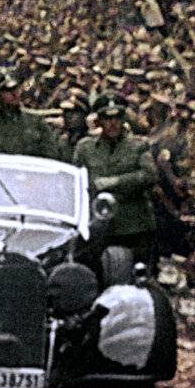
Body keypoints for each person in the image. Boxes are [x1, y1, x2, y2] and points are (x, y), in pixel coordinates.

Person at [73, 93, 159, 265]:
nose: (113, 123)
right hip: (97, 225)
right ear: (99, 120)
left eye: (117, 118)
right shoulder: (85, 148)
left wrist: (116, 181)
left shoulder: (138, 146)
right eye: (107, 118)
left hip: (133, 225)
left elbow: (150, 175)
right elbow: (75, 182)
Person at [0, 70, 60, 159]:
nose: (14, 93)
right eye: (7, 91)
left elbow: (50, 155)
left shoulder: (36, 121)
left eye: (15, 88)